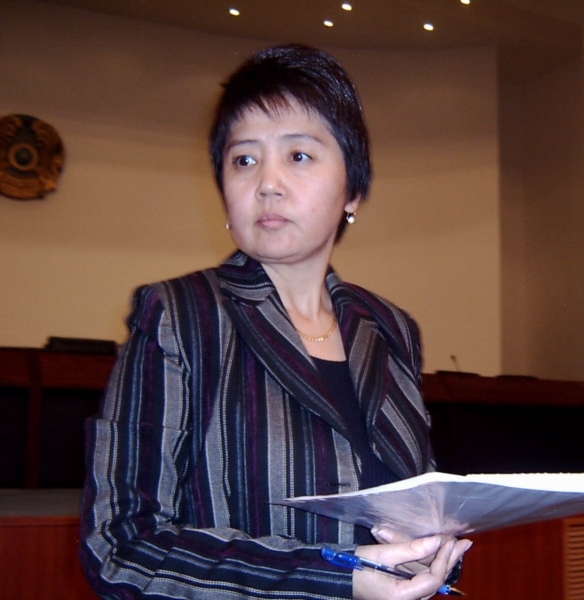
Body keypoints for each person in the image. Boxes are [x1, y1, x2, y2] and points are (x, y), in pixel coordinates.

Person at [79, 43, 472, 599]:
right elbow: (120, 547)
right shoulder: (179, 315)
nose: (267, 182)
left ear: (353, 191)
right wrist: (334, 579)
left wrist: (431, 555)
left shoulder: (391, 327)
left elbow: (418, 504)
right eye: (244, 160)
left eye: (299, 155)